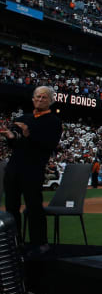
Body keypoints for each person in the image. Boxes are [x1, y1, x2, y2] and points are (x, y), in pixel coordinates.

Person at [1, 86, 62, 255]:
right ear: (33, 99)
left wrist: (28, 134)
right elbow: (14, 144)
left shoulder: (54, 122)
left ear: (50, 101)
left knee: (34, 206)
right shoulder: (22, 118)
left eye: (44, 97)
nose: (40, 99)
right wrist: (12, 137)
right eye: (37, 96)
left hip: (33, 168)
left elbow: (48, 145)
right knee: (11, 207)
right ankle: (14, 242)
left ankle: (40, 243)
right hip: (14, 167)